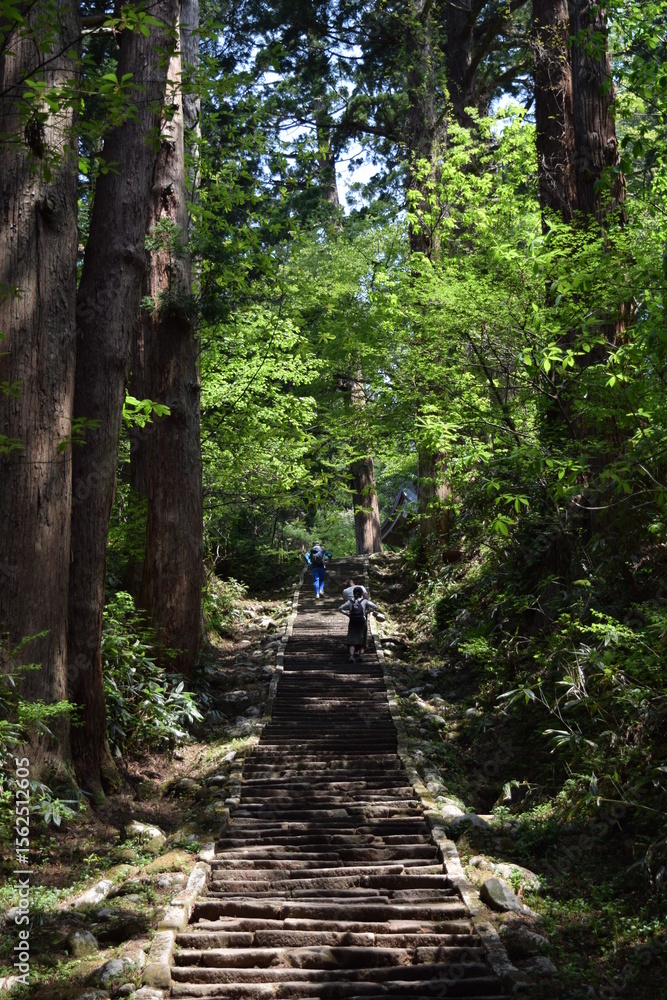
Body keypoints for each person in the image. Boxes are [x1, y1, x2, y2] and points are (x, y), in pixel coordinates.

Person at [338, 585, 380, 662]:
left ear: (353, 593)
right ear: (361, 594)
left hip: (353, 621)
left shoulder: (350, 601)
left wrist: (348, 614)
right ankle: (361, 655)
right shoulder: (364, 601)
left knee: (352, 639)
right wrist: (367, 612)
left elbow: (340, 608)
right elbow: (375, 606)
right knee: (362, 638)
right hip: (362, 621)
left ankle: (351, 656)